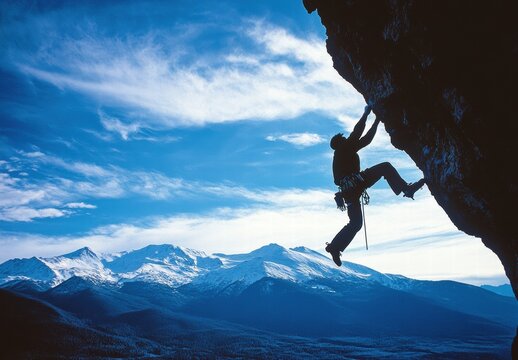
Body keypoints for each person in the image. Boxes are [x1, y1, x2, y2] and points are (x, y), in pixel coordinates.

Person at [326, 104, 426, 266]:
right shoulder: (344, 148)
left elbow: (365, 140)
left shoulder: (342, 152)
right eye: (343, 138)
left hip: (349, 191)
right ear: (340, 142)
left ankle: (335, 247)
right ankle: (405, 189)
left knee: (355, 223)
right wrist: (367, 115)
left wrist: (376, 121)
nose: (346, 138)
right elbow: (358, 132)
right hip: (357, 182)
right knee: (385, 167)